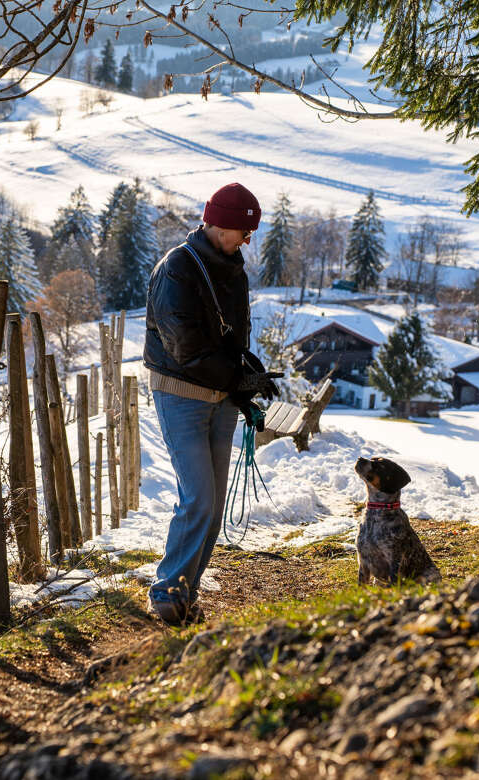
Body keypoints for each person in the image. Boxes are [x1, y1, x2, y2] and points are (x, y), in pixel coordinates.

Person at [143, 182, 280, 626]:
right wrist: (237, 378)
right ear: (221, 225)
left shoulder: (232, 271)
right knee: (198, 497)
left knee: (214, 504)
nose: (248, 240)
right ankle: (167, 592)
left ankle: (188, 591)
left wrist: (244, 388)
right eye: (245, 231)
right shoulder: (178, 269)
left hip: (218, 398)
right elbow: (187, 349)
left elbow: (228, 341)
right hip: (180, 394)